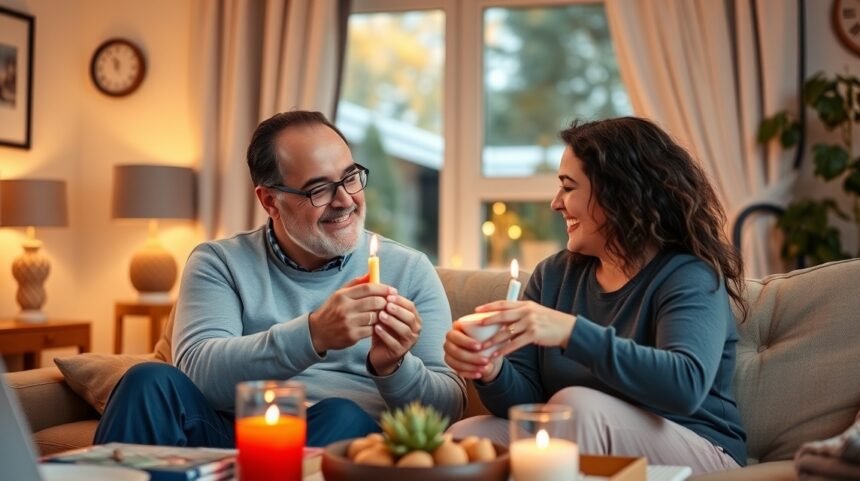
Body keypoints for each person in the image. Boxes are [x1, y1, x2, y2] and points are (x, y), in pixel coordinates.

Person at [95, 110, 465, 448]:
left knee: (342, 415)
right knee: (148, 380)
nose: (345, 200)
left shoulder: (410, 270)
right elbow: (197, 371)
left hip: (340, 438)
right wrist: (314, 334)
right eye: (318, 189)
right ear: (270, 201)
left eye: (350, 178)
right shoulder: (220, 262)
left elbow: (447, 408)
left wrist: (394, 366)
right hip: (231, 432)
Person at [444, 117, 747, 474]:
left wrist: (571, 332)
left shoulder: (688, 275)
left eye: (569, 188)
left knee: (576, 407)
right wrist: (491, 369)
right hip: (580, 429)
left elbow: (684, 387)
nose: (556, 203)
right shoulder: (554, 275)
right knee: (465, 438)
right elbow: (528, 403)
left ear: (619, 193)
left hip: (698, 446)